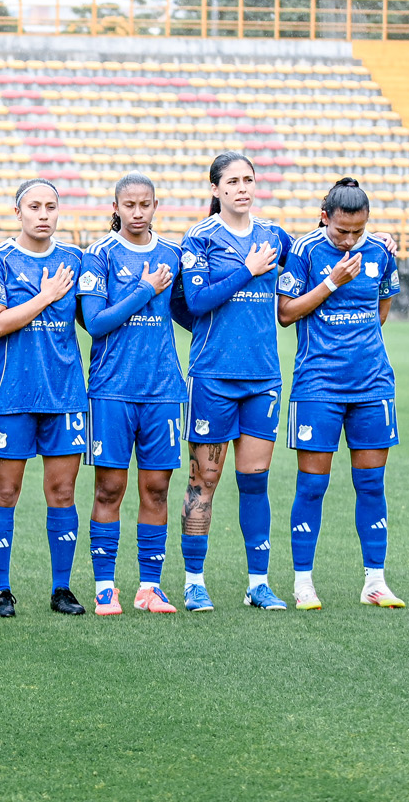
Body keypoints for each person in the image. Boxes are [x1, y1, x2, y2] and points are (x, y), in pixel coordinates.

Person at [278, 177, 403, 610]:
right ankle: (303, 582)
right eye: (341, 230)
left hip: (372, 384)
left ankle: (375, 582)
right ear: (324, 217)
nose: (349, 240)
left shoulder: (381, 251)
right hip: (318, 385)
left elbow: (380, 312)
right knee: (312, 486)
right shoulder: (305, 251)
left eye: (358, 231)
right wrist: (331, 282)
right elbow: (286, 313)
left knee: (371, 483)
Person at [177, 152, 292, 612]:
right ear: (216, 189)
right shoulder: (200, 238)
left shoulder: (275, 236)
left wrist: (377, 240)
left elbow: (320, 248)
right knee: (203, 480)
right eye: (232, 181)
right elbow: (195, 301)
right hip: (213, 376)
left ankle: (258, 584)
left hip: (263, 377)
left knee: (255, 481)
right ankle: (193, 582)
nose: (242, 188)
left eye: (248, 179)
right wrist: (248, 269)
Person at [0, 179, 88, 617]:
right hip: (12, 396)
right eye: (34, 206)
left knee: (62, 492)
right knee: (5, 492)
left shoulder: (75, 260)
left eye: (51, 206)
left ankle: (62, 589)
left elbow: (95, 317)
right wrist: (45, 296)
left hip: (64, 394)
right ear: (17, 212)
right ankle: (1, 590)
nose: (43, 214)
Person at [78, 172, 189, 615]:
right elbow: (96, 322)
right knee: (109, 488)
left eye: (145, 205)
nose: (138, 212)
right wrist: (146, 289)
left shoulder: (173, 254)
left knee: (157, 489)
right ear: (116, 207)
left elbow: (190, 310)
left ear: (155, 206)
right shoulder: (99, 255)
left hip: (162, 388)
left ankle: (150, 587)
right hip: (112, 388)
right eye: (130, 205)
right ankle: (105, 587)